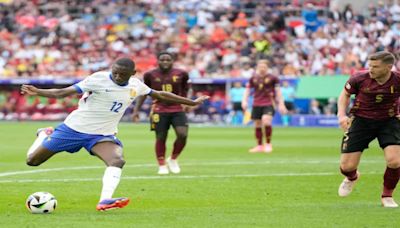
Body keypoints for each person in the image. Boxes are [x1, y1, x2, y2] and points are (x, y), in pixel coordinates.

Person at [21, 57, 208, 211]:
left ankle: (105, 200)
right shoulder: (98, 79)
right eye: (115, 72)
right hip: (73, 130)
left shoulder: (136, 85)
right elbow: (63, 92)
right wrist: (38, 91)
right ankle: (44, 135)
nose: (118, 76)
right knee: (32, 161)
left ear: (132, 74)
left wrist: (191, 102)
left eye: (122, 74)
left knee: (117, 160)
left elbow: (160, 95)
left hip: (101, 135)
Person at [337, 51, 400, 208]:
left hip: (389, 121)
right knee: (347, 167)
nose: (371, 69)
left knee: (395, 161)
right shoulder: (359, 78)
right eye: (370, 65)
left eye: (375, 67)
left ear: (389, 67)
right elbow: (344, 95)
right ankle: (352, 177)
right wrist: (341, 116)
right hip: (361, 121)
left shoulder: (398, 79)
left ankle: (387, 196)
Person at [132, 51, 191, 175]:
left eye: (168, 59)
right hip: (159, 108)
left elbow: (186, 89)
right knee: (161, 137)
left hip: (177, 108)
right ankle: (162, 164)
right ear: (157, 61)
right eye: (162, 60)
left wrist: (187, 102)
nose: (165, 62)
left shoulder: (181, 73)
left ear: (173, 61)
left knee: (182, 134)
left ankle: (173, 159)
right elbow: (144, 92)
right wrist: (136, 110)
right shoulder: (150, 75)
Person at [241, 60, 287, 153]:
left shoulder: (273, 78)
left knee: (266, 121)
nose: (262, 69)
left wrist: (281, 104)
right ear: (257, 68)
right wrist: (244, 101)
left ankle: (268, 144)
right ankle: (259, 146)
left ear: (267, 68)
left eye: (264, 67)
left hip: (269, 103)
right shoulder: (253, 78)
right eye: (260, 67)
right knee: (257, 124)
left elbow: (278, 92)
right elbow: (247, 90)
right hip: (256, 103)